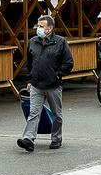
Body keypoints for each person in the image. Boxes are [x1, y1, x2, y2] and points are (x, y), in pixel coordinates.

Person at [18, 15, 74, 152]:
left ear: (50, 28)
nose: (39, 28)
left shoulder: (60, 42)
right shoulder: (33, 42)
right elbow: (30, 63)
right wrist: (30, 80)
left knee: (57, 115)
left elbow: (68, 63)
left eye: (41, 26)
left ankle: (56, 138)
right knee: (33, 113)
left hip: (53, 85)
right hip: (37, 84)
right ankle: (28, 139)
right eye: (38, 25)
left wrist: (58, 74)